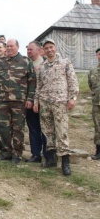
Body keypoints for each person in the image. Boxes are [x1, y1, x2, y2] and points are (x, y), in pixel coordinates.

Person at [33, 39, 79, 175]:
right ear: (43, 50)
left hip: (60, 102)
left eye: (51, 47)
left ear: (55, 48)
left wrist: (73, 98)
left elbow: (73, 81)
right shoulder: (42, 66)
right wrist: (36, 101)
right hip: (45, 103)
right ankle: (51, 159)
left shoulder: (65, 63)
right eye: (46, 48)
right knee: (48, 131)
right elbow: (38, 86)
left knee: (62, 131)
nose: (49, 50)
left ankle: (65, 161)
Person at [0, 39, 36, 164]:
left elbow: (32, 81)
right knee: (3, 127)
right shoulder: (1, 62)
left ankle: (17, 153)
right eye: (7, 46)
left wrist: (30, 98)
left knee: (18, 128)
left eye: (12, 46)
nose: (9, 48)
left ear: (17, 47)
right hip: (3, 100)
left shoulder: (25, 61)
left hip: (19, 101)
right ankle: (6, 151)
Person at [25, 41, 47, 163]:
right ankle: (35, 154)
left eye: (31, 49)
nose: (28, 52)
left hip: (44, 102)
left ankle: (47, 154)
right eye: (27, 49)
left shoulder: (46, 63)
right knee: (33, 128)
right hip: (30, 101)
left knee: (45, 128)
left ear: (39, 50)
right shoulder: (26, 64)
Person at [89, 47, 100, 160]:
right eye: (99, 54)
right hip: (96, 103)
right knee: (98, 127)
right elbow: (90, 84)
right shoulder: (92, 70)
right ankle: (98, 151)